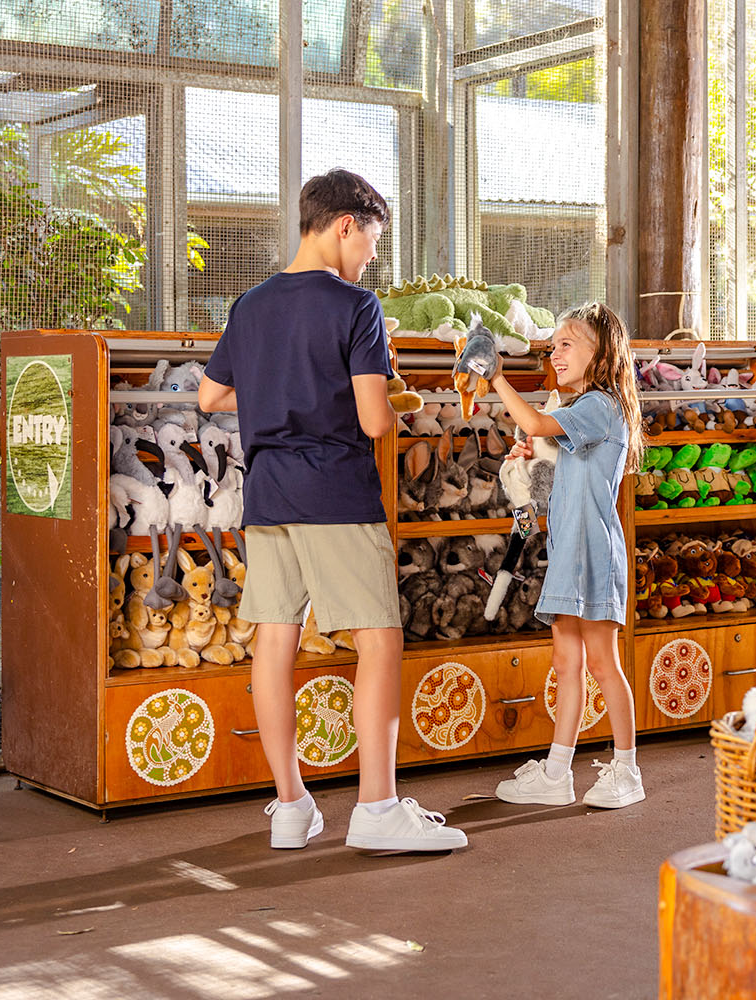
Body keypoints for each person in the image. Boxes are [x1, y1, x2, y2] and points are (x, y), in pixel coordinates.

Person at [197, 169, 467, 852]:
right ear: (346, 224)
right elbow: (376, 422)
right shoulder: (357, 307)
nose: (371, 256)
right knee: (379, 639)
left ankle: (291, 807)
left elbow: (209, 397)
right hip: (336, 495)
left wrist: (277, 397)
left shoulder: (249, 306)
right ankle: (377, 809)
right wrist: (387, 385)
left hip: (269, 498)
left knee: (273, 644)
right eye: (372, 240)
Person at [481, 303, 646, 808]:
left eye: (566, 344)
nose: (555, 354)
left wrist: (495, 378)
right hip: (569, 552)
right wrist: (534, 456)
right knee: (566, 662)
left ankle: (626, 769)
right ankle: (557, 772)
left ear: (601, 354)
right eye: (552, 346)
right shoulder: (582, 410)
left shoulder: (603, 404)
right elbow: (557, 459)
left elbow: (531, 418)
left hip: (593, 554)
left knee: (601, 663)